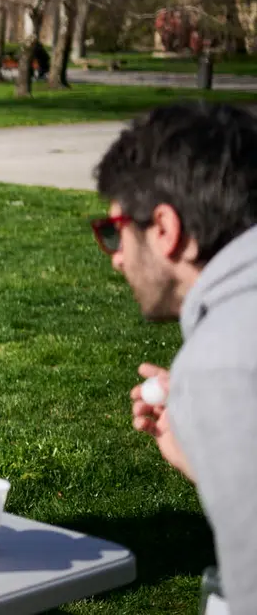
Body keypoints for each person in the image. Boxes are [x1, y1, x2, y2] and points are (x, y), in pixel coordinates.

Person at [93, 102, 257, 615]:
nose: (117, 255)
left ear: (164, 228)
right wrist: (203, 450)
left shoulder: (222, 364)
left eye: (117, 228)